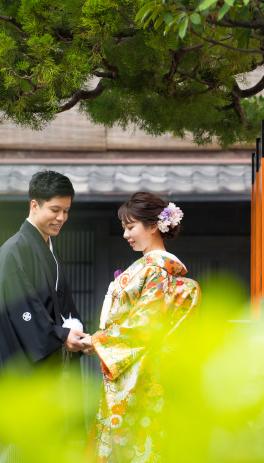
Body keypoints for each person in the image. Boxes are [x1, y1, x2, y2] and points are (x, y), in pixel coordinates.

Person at [86, 192, 201, 463]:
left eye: (130, 227)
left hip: (139, 372)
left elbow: (144, 324)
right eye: (124, 228)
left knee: (133, 443)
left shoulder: (155, 271)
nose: (126, 234)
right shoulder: (156, 269)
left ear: (152, 226)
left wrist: (97, 341)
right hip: (136, 366)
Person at [0, 170, 91, 462]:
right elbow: (24, 309)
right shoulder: (14, 251)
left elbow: (62, 307)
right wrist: (60, 335)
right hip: (22, 373)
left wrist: (75, 331)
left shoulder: (47, 248)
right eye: (55, 210)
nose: (61, 218)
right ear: (34, 205)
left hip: (48, 371)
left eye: (66, 211)